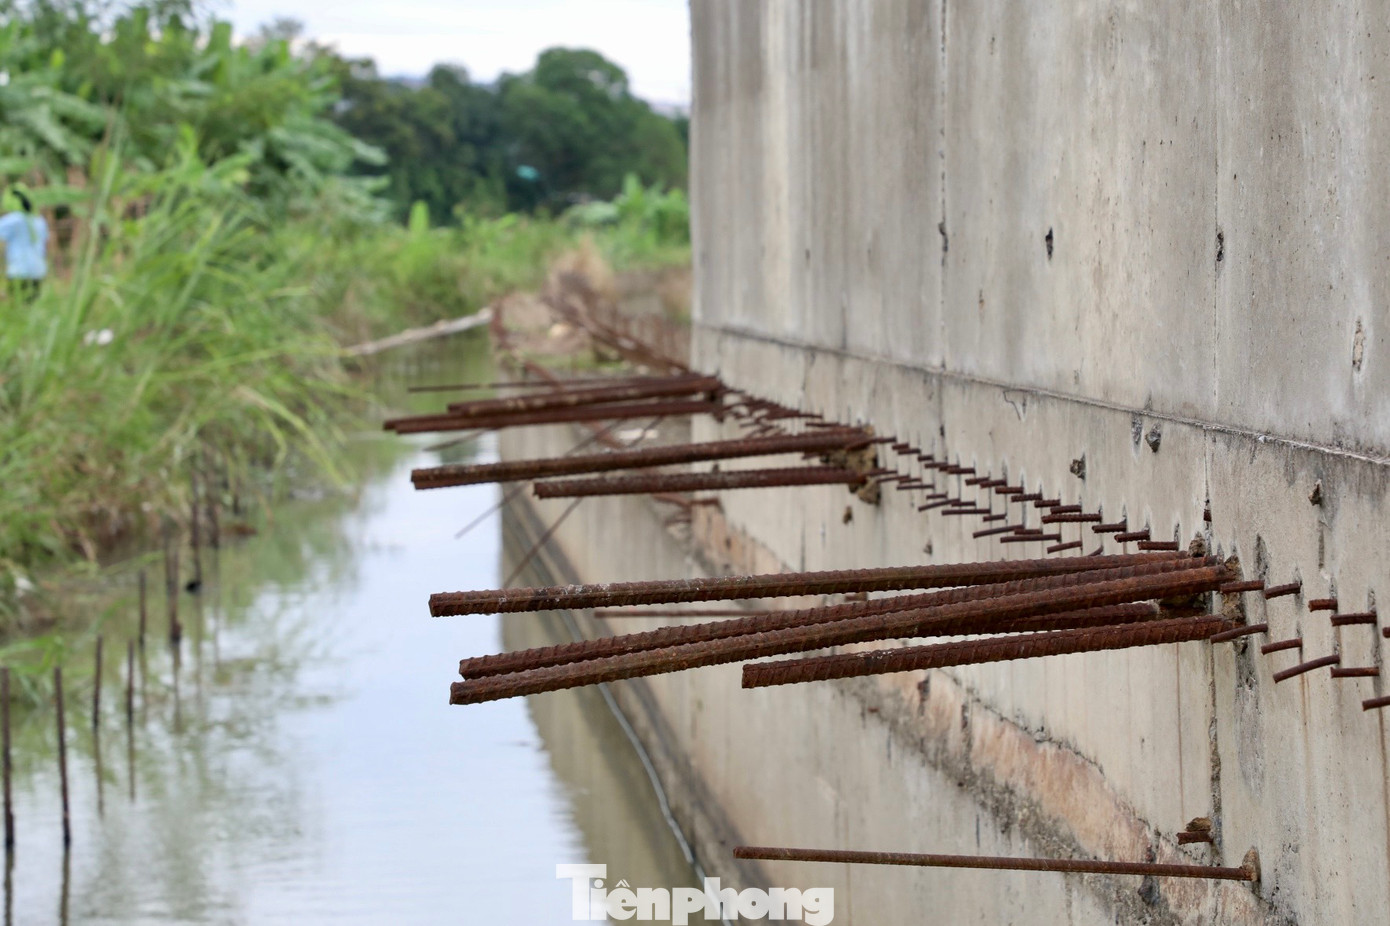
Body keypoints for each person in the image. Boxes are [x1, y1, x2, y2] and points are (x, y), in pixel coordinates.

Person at [0, 186, 49, 302]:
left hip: (19, 271)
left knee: (15, 306)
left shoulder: (14, 219)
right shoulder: (40, 221)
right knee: (30, 307)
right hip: (38, 271)